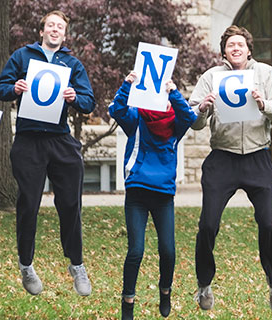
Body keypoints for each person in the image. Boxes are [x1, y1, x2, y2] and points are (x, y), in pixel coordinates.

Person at [0, 10, 95, 297]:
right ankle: (26, 264)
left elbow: (89, 102)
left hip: (60, 139)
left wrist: (75, 96)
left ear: (64, 34)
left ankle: (76, 264)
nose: (54, 30)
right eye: (50, 25)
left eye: (60, 27)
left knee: (70, 204)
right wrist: (14, 87)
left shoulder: (72, 63)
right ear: (41, 31)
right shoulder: (22, 57)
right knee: (28, 204)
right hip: (29, 140)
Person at [187, 25, 272, 312]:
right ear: (224, 51)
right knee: (208, 224)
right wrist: (202, 108)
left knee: (268, 225)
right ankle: (204, 284)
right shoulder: (211, 77)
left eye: (240, 44)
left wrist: (263, 103)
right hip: (222, 158)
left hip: (258, 157)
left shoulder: (265, 73)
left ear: (248, 49)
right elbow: (193, 121)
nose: (236, 48)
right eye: (231, 44)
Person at [110, 71, 198, 319]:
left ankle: (165, 291)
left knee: (168, 250)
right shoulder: (136, 117)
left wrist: (174, 91)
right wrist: (127, 84)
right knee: (136, 250)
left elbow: (189, 116)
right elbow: (116, 110)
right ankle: (128, 302)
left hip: (163, 194)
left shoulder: (175, 124)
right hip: (137, 190)